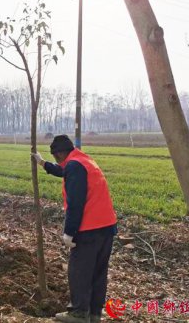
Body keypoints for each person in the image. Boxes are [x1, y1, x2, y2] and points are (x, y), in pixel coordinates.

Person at [31, 135, 117, 323]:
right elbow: (63, 171)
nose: (56, 161)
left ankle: (78, 313)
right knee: (98, 272)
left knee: (79, 271)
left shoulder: (74, 166)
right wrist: (43, 163)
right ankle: (94, 313)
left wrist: (70, 232)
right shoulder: (83, 161)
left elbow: (75, 203)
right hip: (107, 227)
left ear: (60, 153)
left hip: (89, 229)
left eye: (55, 157)